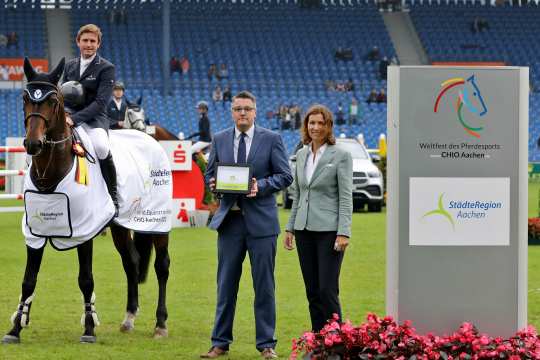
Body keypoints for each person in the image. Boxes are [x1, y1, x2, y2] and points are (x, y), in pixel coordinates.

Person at [202, 91, 293, 359]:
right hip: (230, 222)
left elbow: (285, 175)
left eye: (247, 109)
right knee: (225, 285)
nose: (242, 113)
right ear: (232, 112)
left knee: (264, 286)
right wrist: (213, 185)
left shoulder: (272, 139)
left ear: (255, 112)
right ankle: (220, 343)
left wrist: (260, 185)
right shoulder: (219, 138)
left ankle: (266, 344)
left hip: (262, 225)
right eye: (238, 109)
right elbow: (211, 173)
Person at [283, 104, 353, 332]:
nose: (315, 127)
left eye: (321, 123)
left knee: (327, 289)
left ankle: (337, 343)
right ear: (306, 126)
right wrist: (290, 227)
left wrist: (344, 232)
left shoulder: (341, 155)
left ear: (328, 126)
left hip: (329, 231)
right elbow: (299, 194)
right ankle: (319, 342)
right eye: (311, 123)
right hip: (303, 230)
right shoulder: (301, 154)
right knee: (312, 290)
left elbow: (346, 197)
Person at [62, 24, 119, 215]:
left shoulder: (106, 68)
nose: (88, 44)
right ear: (78, 42)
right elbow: (62, 93)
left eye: (92, 41)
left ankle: (113, 196)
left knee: (102, 147)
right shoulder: (69, 65)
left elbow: (101, 103)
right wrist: (64, 114)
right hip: (69, 116)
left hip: (94, 119)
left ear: (98, 44)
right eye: (85, 40)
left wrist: (75, 119)